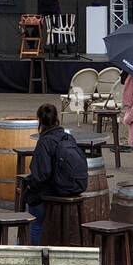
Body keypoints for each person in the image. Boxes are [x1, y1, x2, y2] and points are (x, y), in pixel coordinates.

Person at [22, 103, 86, 244]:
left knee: (34, 216)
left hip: (55, 189)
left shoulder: (45, 141)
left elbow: (41, 175)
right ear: (57, 118)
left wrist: (29, 187)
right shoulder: (68, 138)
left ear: (39, 120)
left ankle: (31, 251)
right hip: (73, 187)